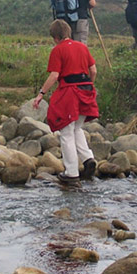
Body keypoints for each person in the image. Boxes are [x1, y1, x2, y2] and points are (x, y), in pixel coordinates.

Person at [33, 19, 99, 187]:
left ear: (55, 37)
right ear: (69, 32)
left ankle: (71, 173)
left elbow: (55, 75)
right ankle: (88, 159)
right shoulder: (82, 47)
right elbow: (93, 70)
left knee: (66, 132)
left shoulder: (58, 50)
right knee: (77, 128)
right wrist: (90, 85)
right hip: (86, 90)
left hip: (70, 93)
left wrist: (41, 93)